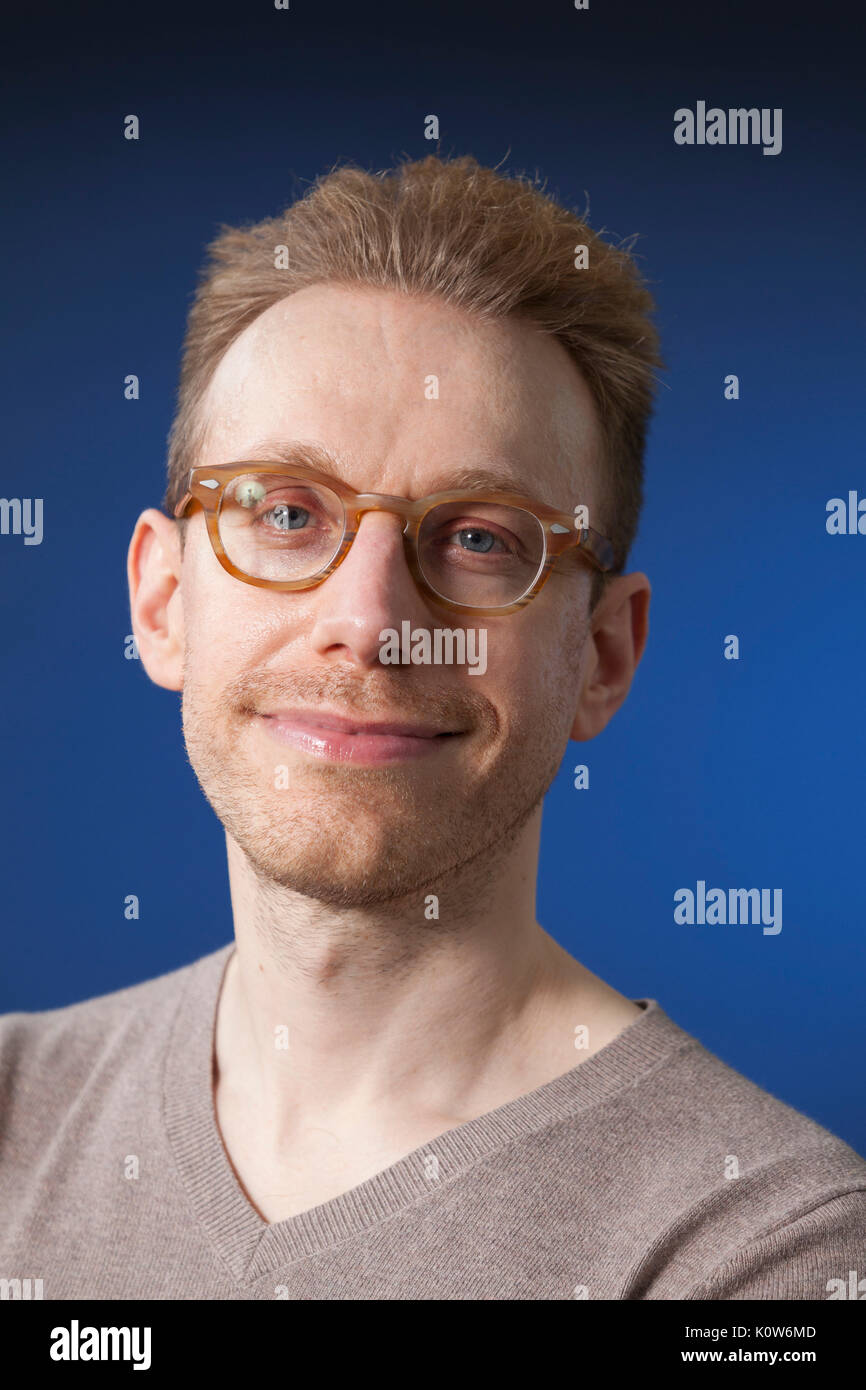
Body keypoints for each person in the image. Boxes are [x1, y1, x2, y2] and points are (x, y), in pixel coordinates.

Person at [1, 155, 863, 1300]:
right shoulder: (15, 1107)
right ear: (161, 603)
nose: (367, 623)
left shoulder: (765, 1254)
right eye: (287, 511)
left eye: (478, 537)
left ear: (603, 654)